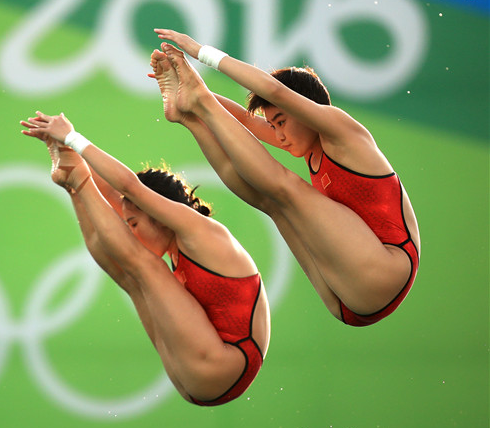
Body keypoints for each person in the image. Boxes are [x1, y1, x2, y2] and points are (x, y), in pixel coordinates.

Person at [150, 28, 420, 326]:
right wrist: (183, 91)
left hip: (386, 271)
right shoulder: (306, 141)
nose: (278, 135)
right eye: (273, 125)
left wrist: (203, 54)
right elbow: (242, 120)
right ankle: (190, 118)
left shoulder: (341, 131)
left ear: (304, 109)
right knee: (269, 202)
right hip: (346, 302)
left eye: (281, 122)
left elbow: (276, 92)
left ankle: (197, 99)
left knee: (287, 188)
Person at [20, 111, 270, 406]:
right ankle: (73, 183)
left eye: (134, 224)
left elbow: (128, 187)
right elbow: (120, 198)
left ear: (158, 214)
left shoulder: (200, 231)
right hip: (192, 375)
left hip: (223, 365)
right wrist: (69, 162)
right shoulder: (171, 238)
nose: (130, 232)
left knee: (144, 266)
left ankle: (78, 176)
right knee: (129, 276)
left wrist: (72, 139)